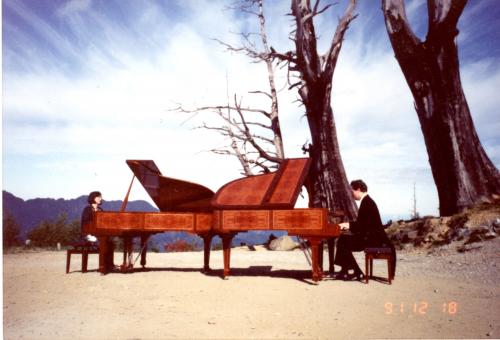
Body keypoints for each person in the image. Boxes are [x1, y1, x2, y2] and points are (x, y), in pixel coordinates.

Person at [334, 180, 396, 281]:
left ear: (358, 189)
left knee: (343, 241)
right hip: (371, 237)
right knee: (343, 239)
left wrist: (347, 225)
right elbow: (363, 225)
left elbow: (362, 226)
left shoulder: (367, 203)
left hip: (373, 240)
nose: (351, 194)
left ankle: (355, 272)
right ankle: (347, 270)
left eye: (352, 191)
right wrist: (349, 226)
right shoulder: (367, 201)